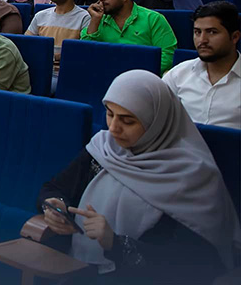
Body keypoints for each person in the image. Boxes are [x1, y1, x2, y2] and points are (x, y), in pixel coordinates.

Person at [37, 70, 241, 284]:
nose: (113, 128)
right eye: (109, 114)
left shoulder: (191, 174)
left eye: (127, 121)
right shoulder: (104, 148)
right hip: (79, 269)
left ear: (156, 122)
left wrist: (116, 243)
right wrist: (55, 206)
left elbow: (192, 261)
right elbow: (53, 188)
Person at [163, 2, 240, 129]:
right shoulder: (179, 73)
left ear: (234, 37)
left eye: (212, 32)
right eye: (197, 32)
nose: (202, 40)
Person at [81, 0, 177, 72]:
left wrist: (133, 74)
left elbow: (168, 56)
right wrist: (94, 21)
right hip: (104, 75)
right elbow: (85, 54)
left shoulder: (153, 19)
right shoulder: (98, 20)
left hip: (142, 77)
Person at [25, 0, 90, 63]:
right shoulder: (40, 16)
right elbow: (27, 44)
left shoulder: (84, 18)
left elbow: (83, 50)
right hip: (40, 66)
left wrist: (53, 56)